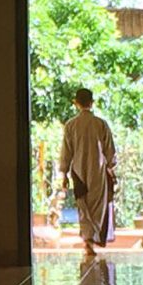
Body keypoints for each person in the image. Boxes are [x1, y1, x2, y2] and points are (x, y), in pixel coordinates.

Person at [59, 88, 117, 256]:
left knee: (83, 206)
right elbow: (110, 151)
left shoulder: (71, 125)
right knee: (97, 205)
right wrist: (111, 168)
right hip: (98, 171)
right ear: (92, 103)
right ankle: (93, 238)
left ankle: (88, 240)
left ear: (76, 103)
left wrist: (64, 173)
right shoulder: (101, 124)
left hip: (78, 172)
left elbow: (66, 152)